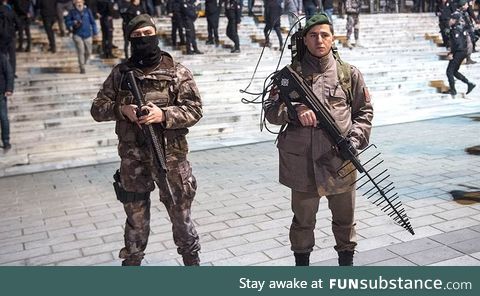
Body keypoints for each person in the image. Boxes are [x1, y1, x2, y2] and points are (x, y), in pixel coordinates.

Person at [91, 14, 202, 266]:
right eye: (137, 36)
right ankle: (133, 261)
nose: (144, 39)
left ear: (156, 34)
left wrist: (163, 114)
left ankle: (191, 260)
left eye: (148, 33)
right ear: (130, 39)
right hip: (133, 159)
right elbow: (98, 108)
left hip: (170, 158)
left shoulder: (177, 71)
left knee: (180, 216)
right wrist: (124, 110)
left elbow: (194, 109)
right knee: (135, 218)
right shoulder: (120, 73)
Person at [264, 13, 373, 266]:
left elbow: (364, 113)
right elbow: (270, 111)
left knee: (345, 220)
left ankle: (346, 265)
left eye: (324, 35)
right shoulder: (288, 76)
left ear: (333, 38)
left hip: (340, 161)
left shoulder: (348, 74)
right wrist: (294, 112)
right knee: (302, 222)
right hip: (302, 165)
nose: (319, 40)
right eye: (313, 35)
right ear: (305, 39)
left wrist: (355, 141)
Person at [445, 0, 476, 96]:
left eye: (451, 19)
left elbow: (457, 44)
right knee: (454, 71)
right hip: (462, 51)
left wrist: (451, 53)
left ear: (455, 20)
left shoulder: (456, 30)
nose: (450, 21)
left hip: (459, 51)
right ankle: (469, 84)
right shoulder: (456, 28)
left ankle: (453, 90)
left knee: (449, 71)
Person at [65, 0, 99, 74]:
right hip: (77, 35)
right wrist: (73, 22)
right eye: (77, 2)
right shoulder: (72, 12)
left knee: (89, 52)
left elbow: (93, 22)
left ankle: (84, 62)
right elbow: (67, 22)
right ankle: (82, 67)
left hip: (88, 34)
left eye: (80, 2)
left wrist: (95, 32)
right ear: (75, 3)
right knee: (81, 51)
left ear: (83, 3)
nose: (79, 3)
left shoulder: (87, 11)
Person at [0, 52, 13, 151]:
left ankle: (6, 141)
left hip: (0, 92)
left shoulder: (2, 57)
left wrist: (9, 88)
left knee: (3, 117)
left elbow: (9, 72)